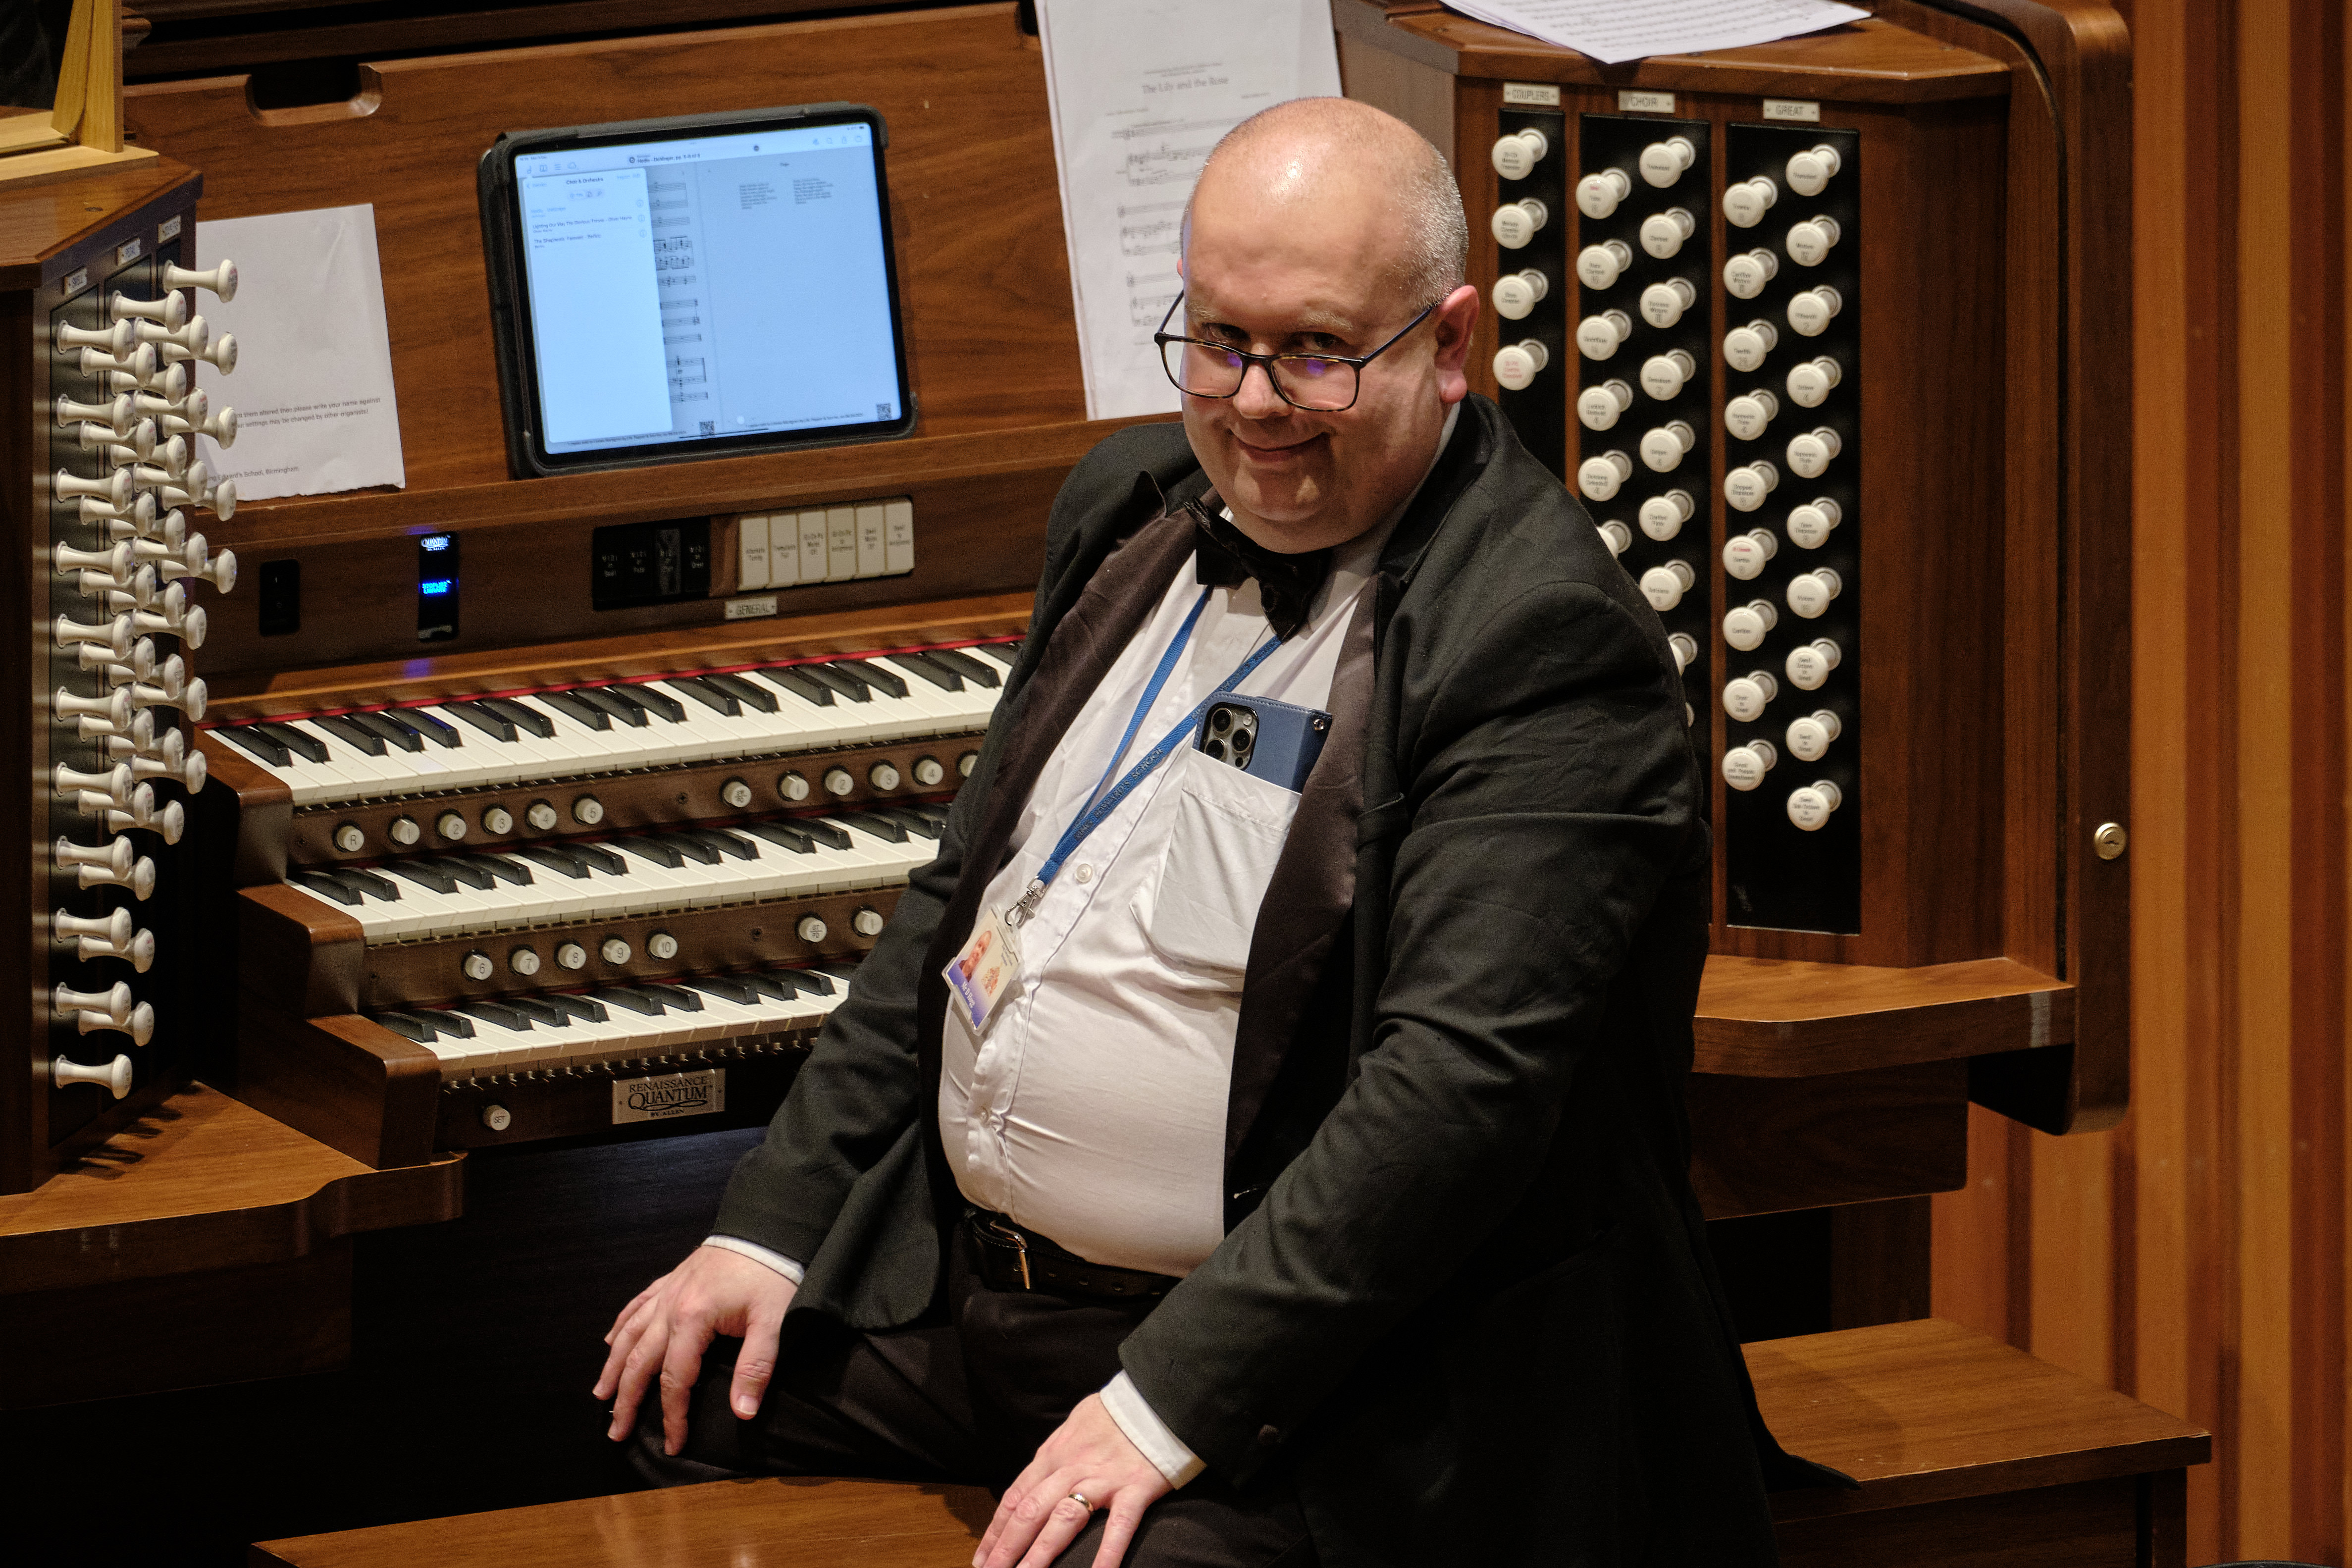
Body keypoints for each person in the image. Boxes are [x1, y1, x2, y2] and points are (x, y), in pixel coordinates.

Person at [596, 96, 1832, 1568]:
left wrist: (1167, 1402)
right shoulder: (1129, 506)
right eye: (1221, 340)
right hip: (989, 1303)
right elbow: (962, 890)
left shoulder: (1544, 641)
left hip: (1329, 1391)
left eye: (1315, 351)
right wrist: (772, 1222)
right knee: (645, 1396)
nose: (1252, 404)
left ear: (1449, 346)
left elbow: (1456, 1096)